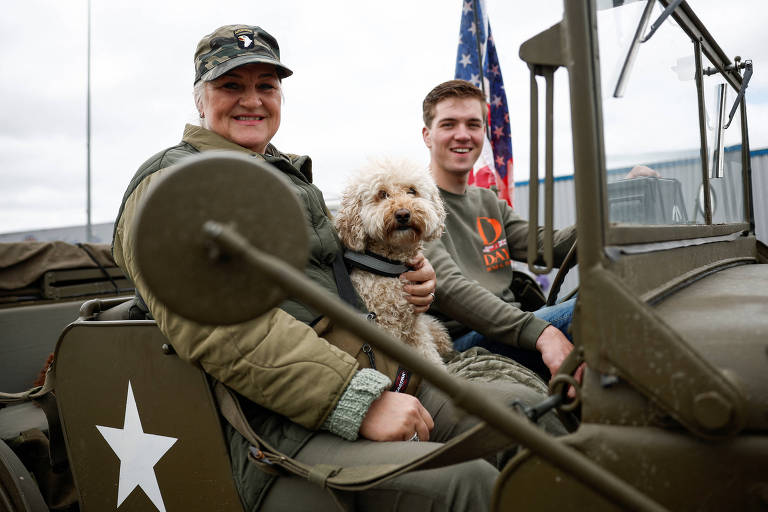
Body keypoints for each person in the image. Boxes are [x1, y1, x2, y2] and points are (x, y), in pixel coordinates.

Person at [113, 27, 564, 512]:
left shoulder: (278, 173)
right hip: (278, 421)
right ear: (200, 99)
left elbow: (345, 260)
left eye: (267, 85)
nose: (253, 100)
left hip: (384, 371)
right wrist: (355, 401)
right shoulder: (169, 186)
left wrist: (414, 277)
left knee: (527, 422)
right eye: (231, 86)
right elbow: (221, 329)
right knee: (468, 484)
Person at [421, 80, 579, 381]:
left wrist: (607, 214)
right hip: (467, 342)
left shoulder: (487, 201)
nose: (463, 135)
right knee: (592, 309)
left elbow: (551, 247)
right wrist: (541, 332)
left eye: (473, 124)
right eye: (448, 124)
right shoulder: (415, 204)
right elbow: (450, 289)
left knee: (616, 291)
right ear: (427, 135)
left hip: (515, 326)